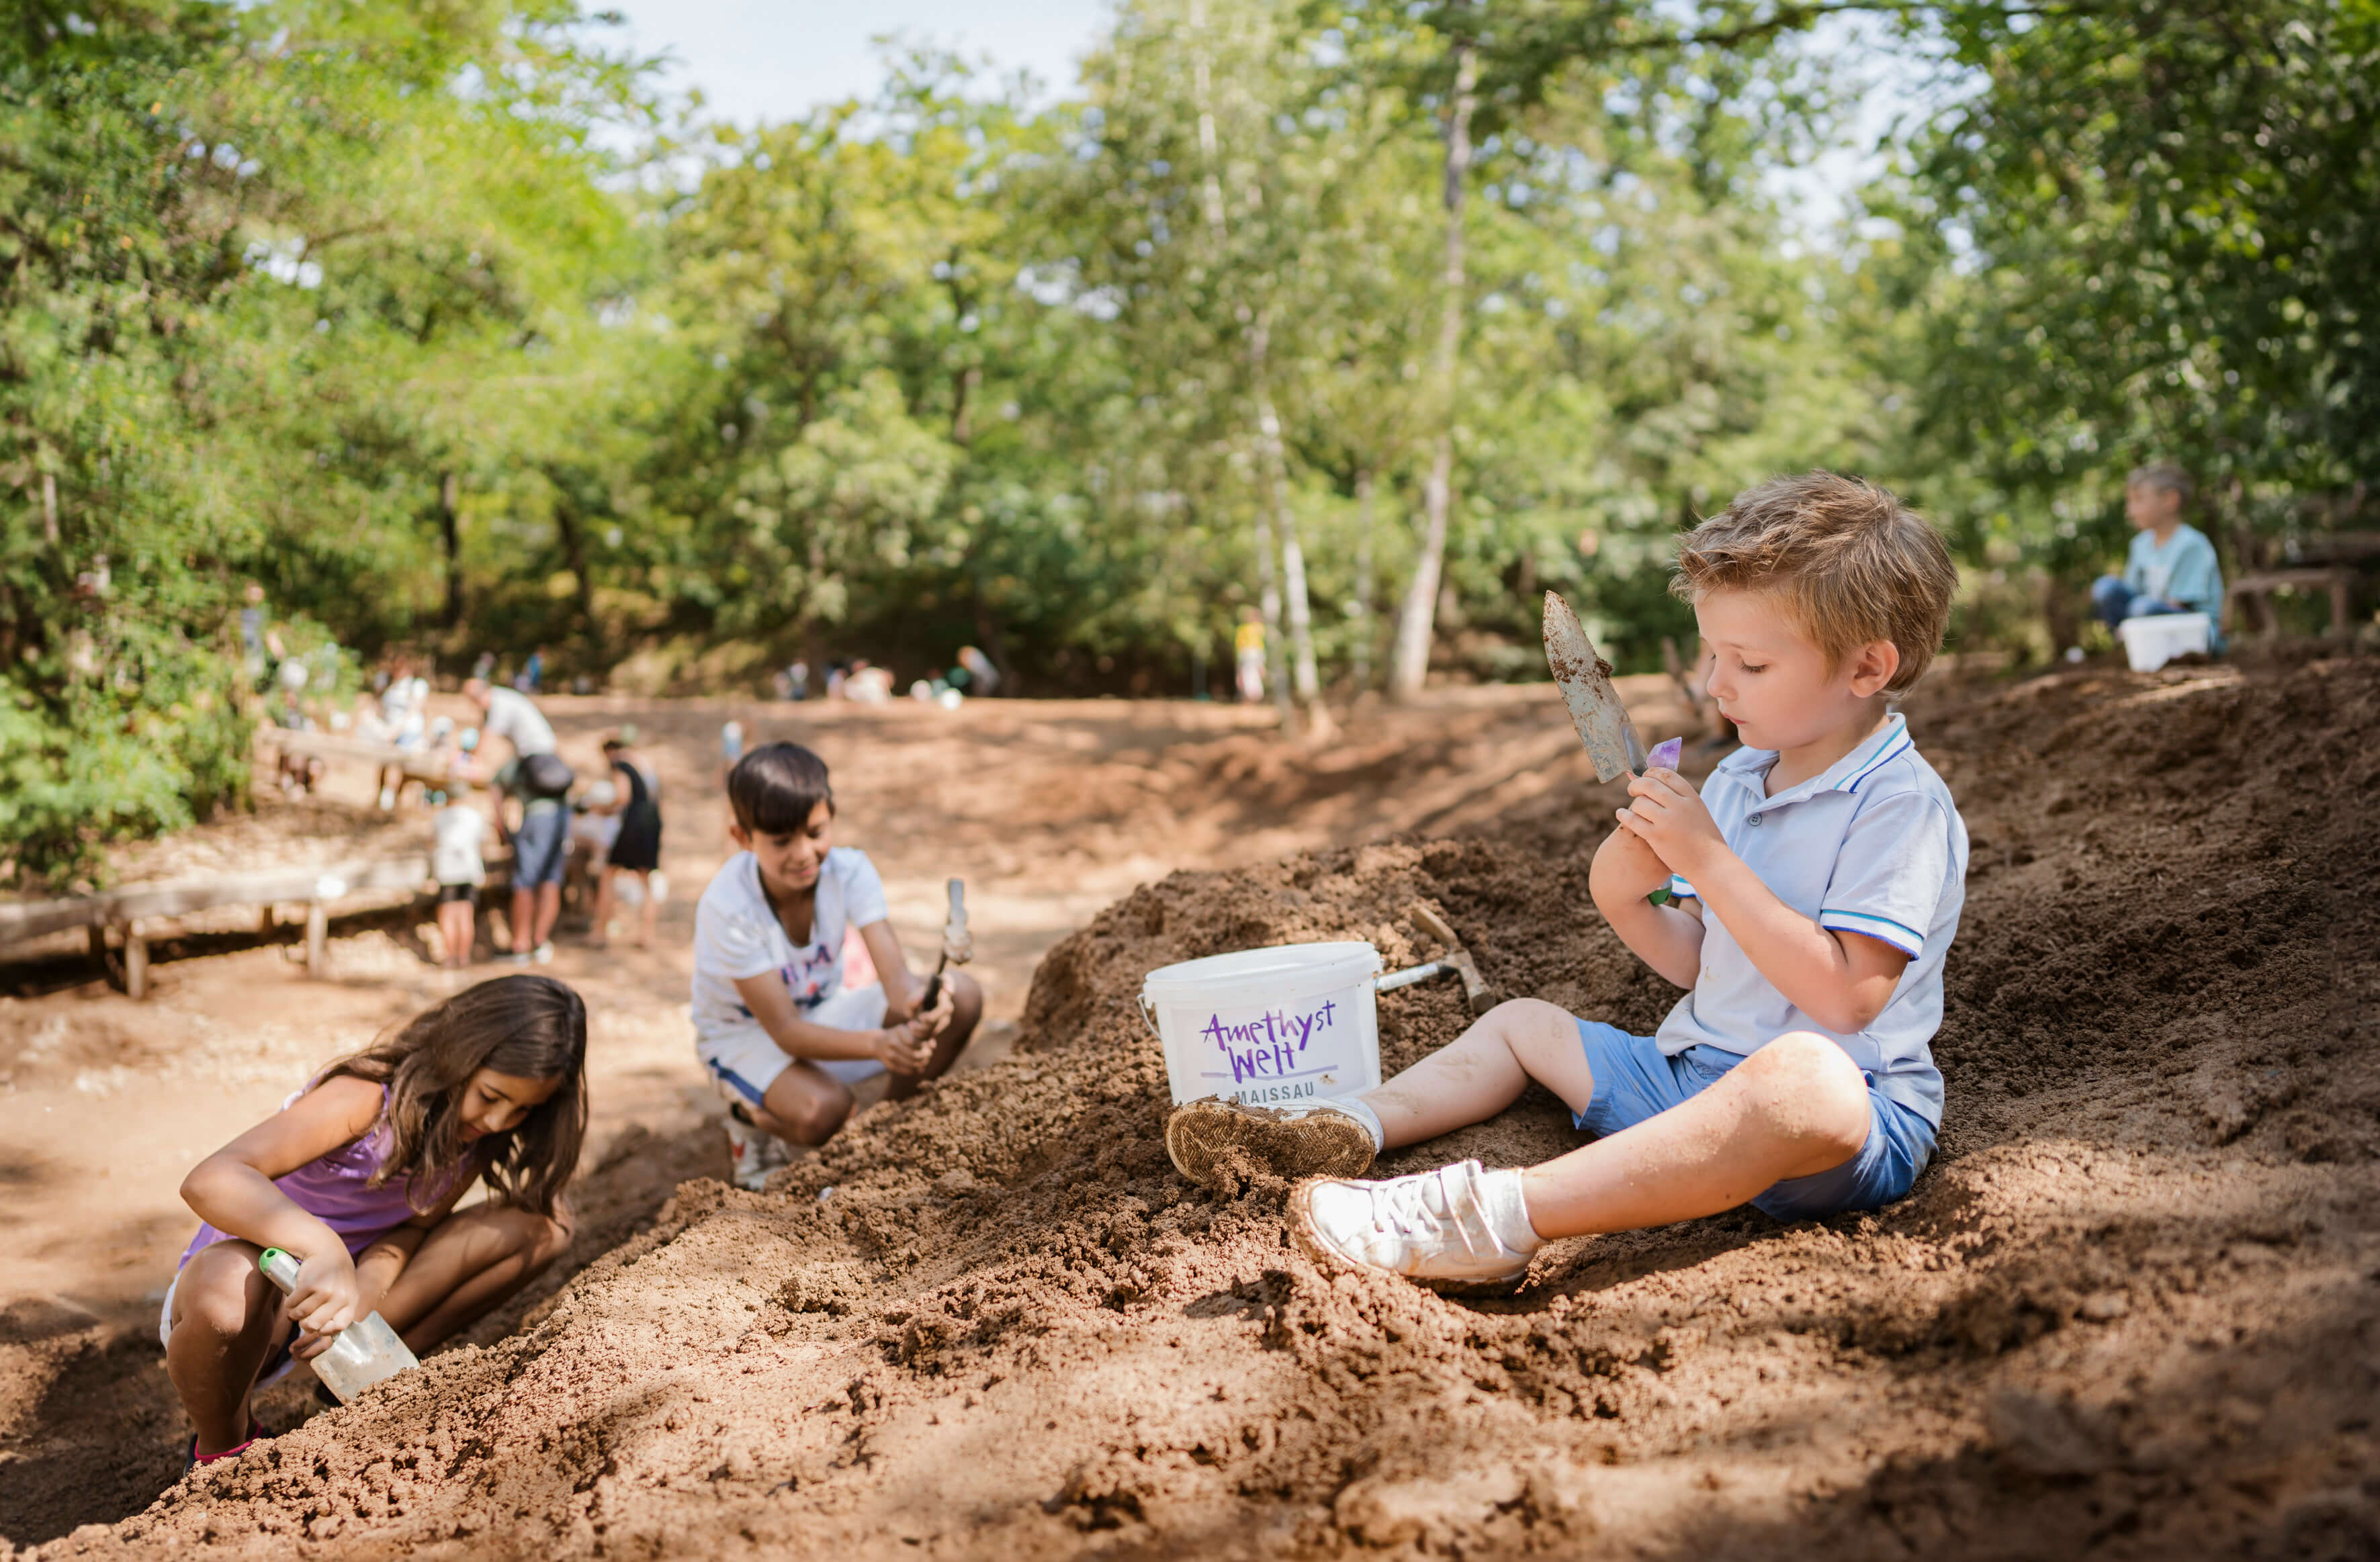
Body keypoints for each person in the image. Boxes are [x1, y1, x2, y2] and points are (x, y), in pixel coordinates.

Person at [1165, 473, 1966, 1289]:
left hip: (1836, 1124)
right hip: (1688, 1083)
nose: (1718, 685)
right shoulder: (1734, 780)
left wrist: (1712, 863)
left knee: (1807, 1079)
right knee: (1520, 1025)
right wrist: (1622, 889)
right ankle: (1342, 1126)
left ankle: (1497, 1215)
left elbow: (1848, 1000)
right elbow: (1707, 967)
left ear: (1868, 667)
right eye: (1712, 654)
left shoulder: (1899, 808)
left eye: (1751, 664)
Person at [163, 976, 585, 1465]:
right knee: (231, 1278)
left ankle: (373, 1387)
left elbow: (413, 1227)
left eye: (522, 1110)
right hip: (239, 1314)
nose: (497, 1121)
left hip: (336, 1309)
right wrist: (324, 1249)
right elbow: (210, 1178)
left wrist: (366, 1288)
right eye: (490, 1095)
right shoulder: (363, 1098)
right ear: (459, 1052)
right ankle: (223, 1445)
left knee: (544, 1224)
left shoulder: (470, 1135)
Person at [691, 743, 982, 1191]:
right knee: (823, 1111)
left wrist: (922, 1003)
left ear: (832, 816)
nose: (804, 853)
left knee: (962, 996)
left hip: (821, 1015)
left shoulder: (850, 871)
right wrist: (880, 1044)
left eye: (815, 832)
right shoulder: (727, 906)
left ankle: (885, 1131)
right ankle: (746, 1117)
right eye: (781, 841)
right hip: (745, 1037)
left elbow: (898, 985)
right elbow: (786, 1031)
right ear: (743, 838)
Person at [464, 678, 570, 965]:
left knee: (525, 881)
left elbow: (494, 782)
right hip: (561, 816)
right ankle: (539, 942)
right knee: (550, 880)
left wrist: (472, 760)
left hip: (537, 819)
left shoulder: (517, 752)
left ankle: (520, 945)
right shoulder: (549, 755)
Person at [2091, 463, 2226, 651]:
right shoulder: (2140, 545)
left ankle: (2139, 643)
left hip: (2194, 632)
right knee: (2106, 588)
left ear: (2170, 500)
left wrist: (2137, 618)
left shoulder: (2192, 544)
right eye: (2129, 501)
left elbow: (2179, 605)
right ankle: (2130, 645)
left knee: (2143, 608)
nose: (2130, 510)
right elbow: (2131, 595)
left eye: (2138, 500)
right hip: (2146, 616)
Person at [591, 731, 663, 952]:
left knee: (608, 874)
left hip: (634, 823)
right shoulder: (641, 762)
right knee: (646, 878)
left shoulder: (620, 764)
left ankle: (599, 933)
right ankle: (647, 935)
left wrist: (602, 810)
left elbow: (623, 797)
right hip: (652, 821)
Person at [428, 780, 488, 969]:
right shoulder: (475, 817)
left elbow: (431, 842)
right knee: (465, 913)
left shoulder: (440, 817)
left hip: (447, 871)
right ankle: (463, 956)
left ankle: (450, 956)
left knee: (447, 913)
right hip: (469, 870)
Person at [1234, 608, 1266, 704]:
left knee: (1251, 677)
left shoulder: (1248, 629)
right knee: (1250, 676)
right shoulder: (1256, 629)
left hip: (1251, 654)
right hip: (1250, 653)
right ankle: (1252, 698)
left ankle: (1252, 697)